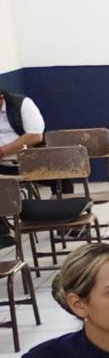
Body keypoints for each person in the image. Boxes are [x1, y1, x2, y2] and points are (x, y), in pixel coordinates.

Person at [0, 87, 46, 246]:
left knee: (63, 174)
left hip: (30, 162)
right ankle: (3, 233)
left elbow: (35, 135)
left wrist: (3, 151)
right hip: (2, 166)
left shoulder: (22, 104)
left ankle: (68, 224)